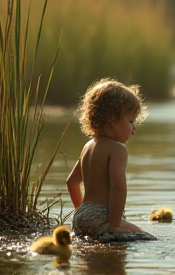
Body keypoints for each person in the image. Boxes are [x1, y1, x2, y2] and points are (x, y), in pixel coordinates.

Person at [66, 78, 149, 237]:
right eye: (131, 121)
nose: (134, 129)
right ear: (112, 119)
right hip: (101, 215)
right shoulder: (117, 149)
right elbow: (117, 188)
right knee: (146, 237)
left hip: (81, 215)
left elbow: (71, 182)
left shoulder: (88, 146)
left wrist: (82, 212)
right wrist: (115, 224)